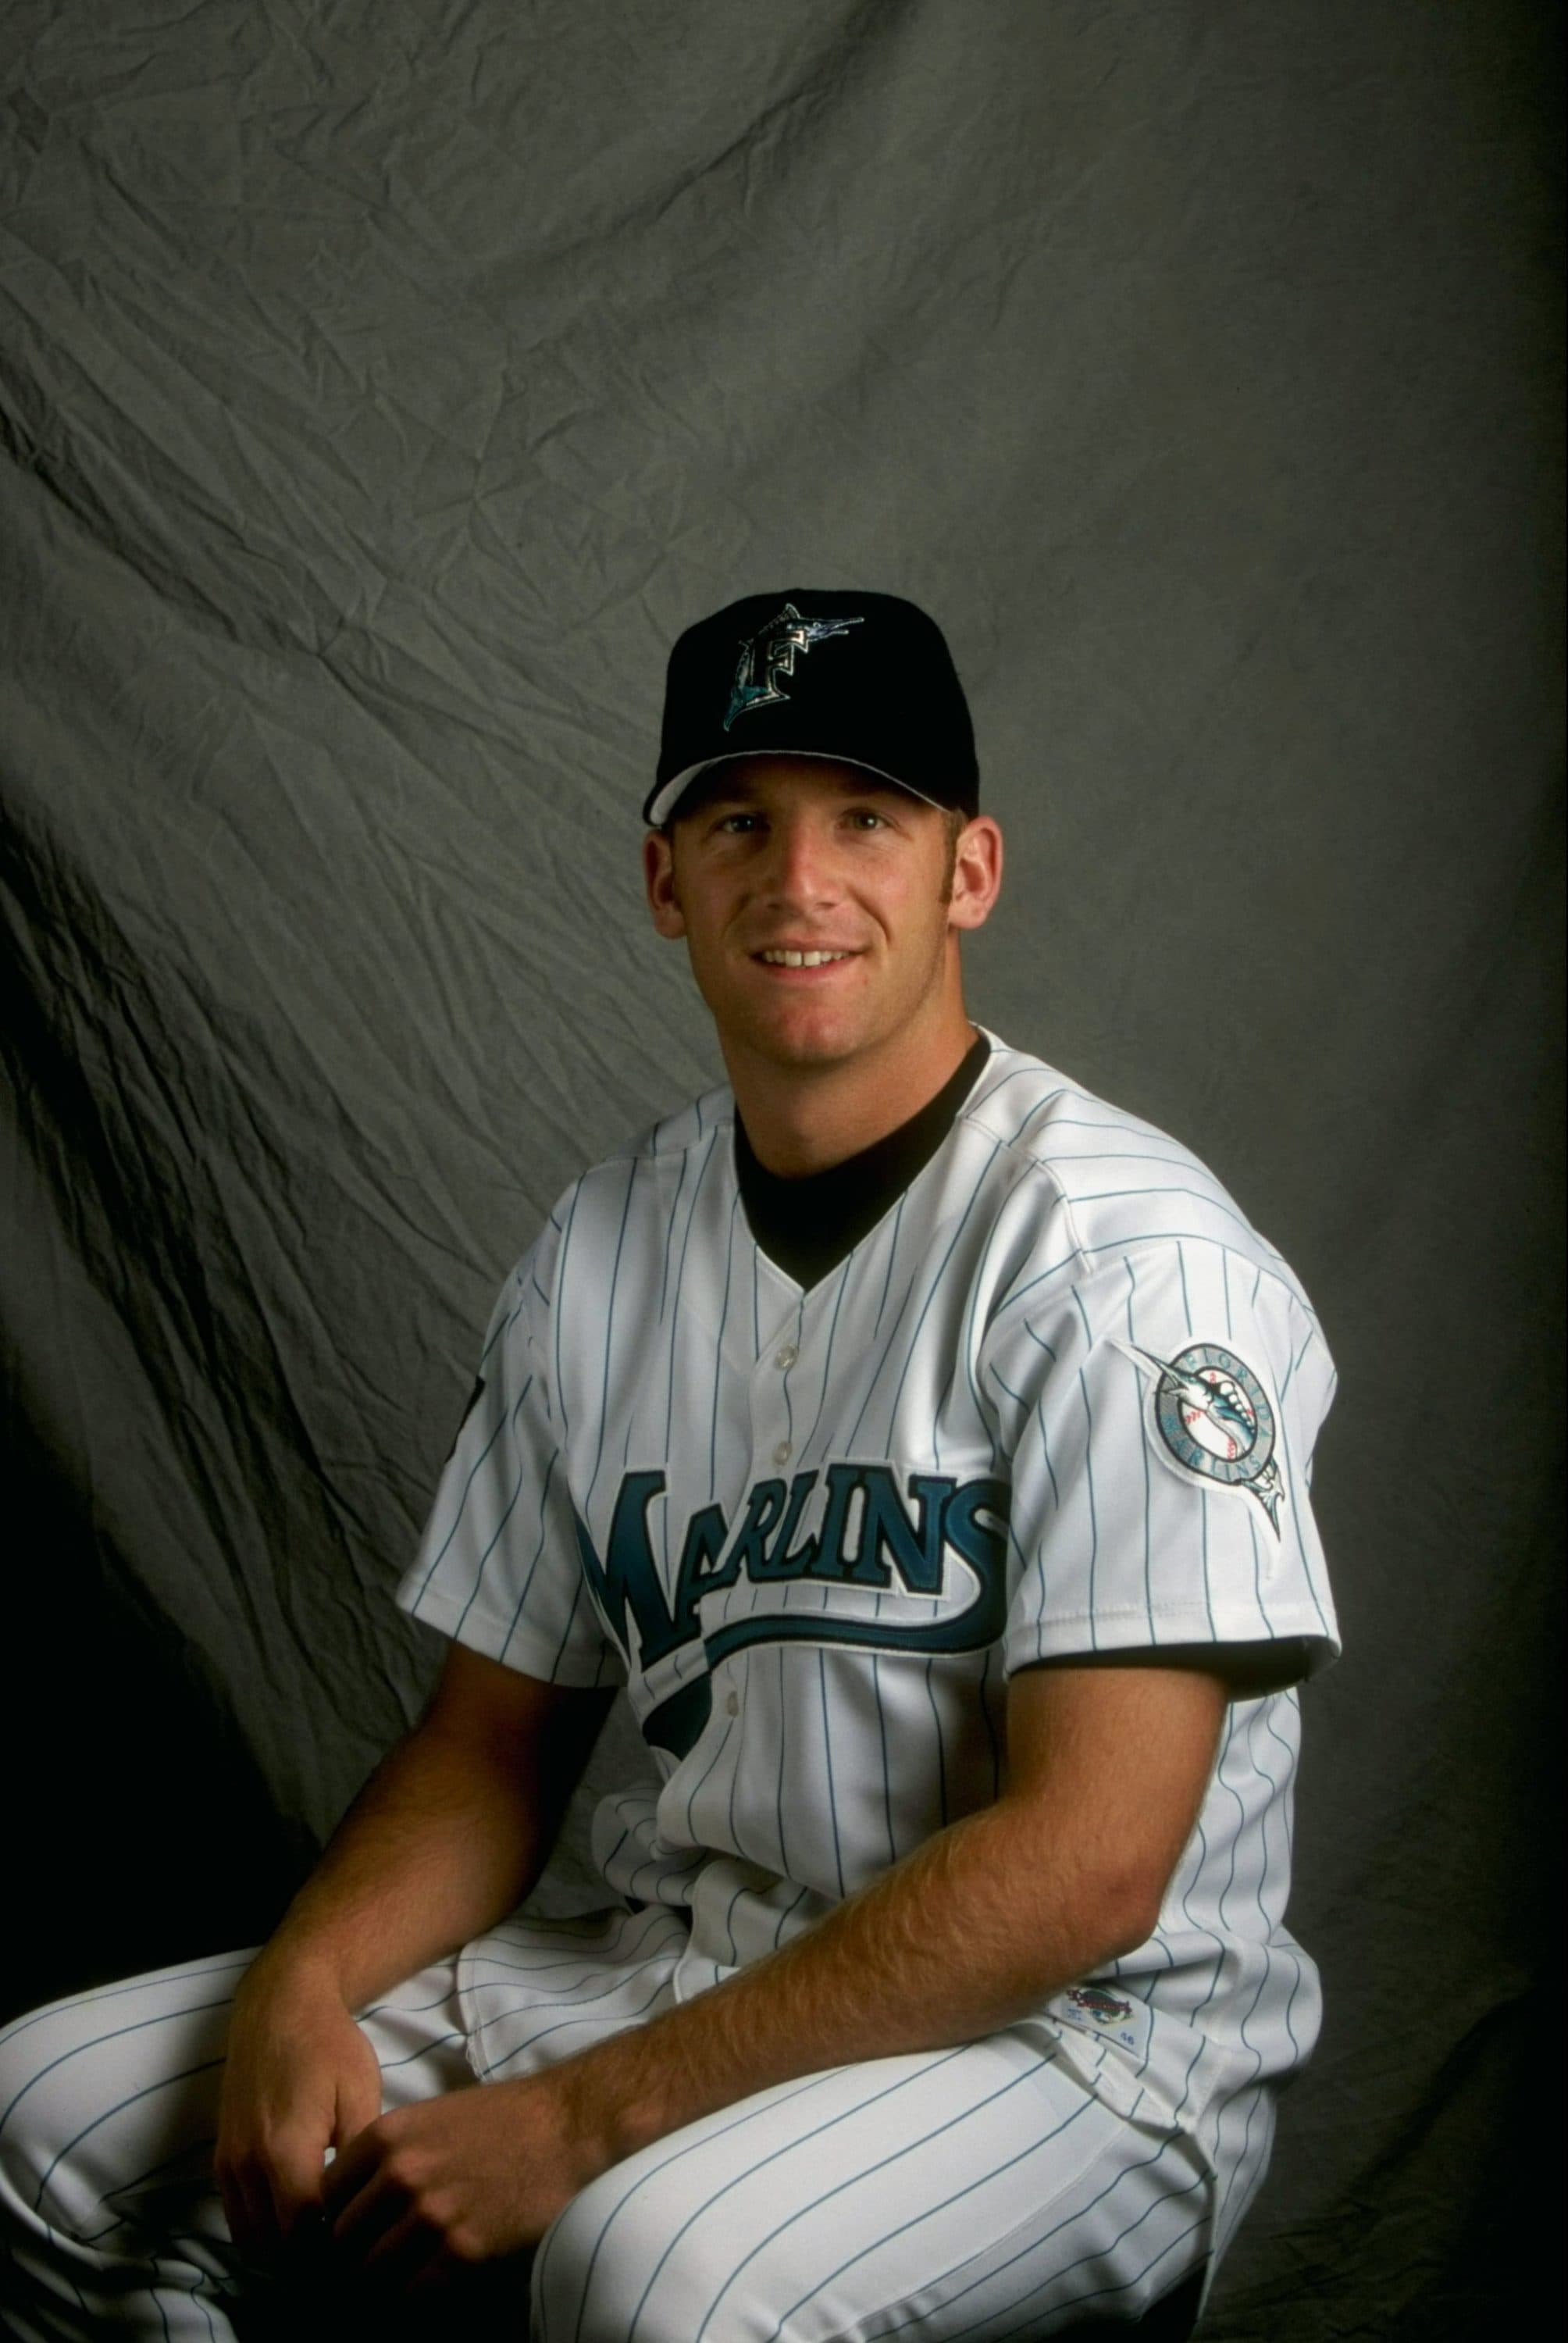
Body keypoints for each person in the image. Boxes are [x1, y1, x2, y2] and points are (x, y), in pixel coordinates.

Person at [0, 590, 1339, 2341]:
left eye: (865, 818)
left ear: (968, 872)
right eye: (738, 823)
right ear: (664, 884)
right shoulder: (601, 1250)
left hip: (1079, 2038)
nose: (797, 881)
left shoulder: (1126, 1264)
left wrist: (577, 2121)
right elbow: (487, 1751)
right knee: (45, 2120)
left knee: (652, 2271)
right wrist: (301, 1985)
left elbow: (1086, 1866)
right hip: (683, 1956)